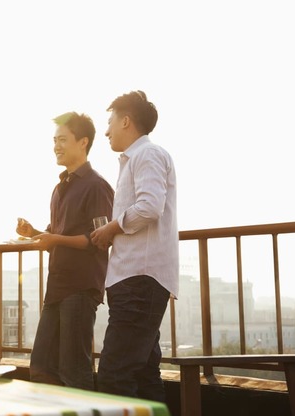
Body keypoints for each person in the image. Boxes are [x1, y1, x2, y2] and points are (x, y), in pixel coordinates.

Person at [91, 91, 179, 402]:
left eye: (111, 122)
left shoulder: (147, 155)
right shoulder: (138, 159)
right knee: (143, 375)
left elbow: (150, 207)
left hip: (139, 280)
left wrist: (110, 228)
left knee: (114, 375)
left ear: (126, 121)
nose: (106, 130)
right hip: (138, 280)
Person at [16, 112, 114, 390]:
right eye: (54, 140)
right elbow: (57, 233)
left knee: (75, 371)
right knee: (42, 367)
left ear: (83, 142)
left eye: (62, 139)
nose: (56, 146)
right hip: (57, 287)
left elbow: (98, 239)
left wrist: (54, 239)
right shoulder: (59, 189)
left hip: (81, 288)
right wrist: (34, 232)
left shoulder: (97, 186)